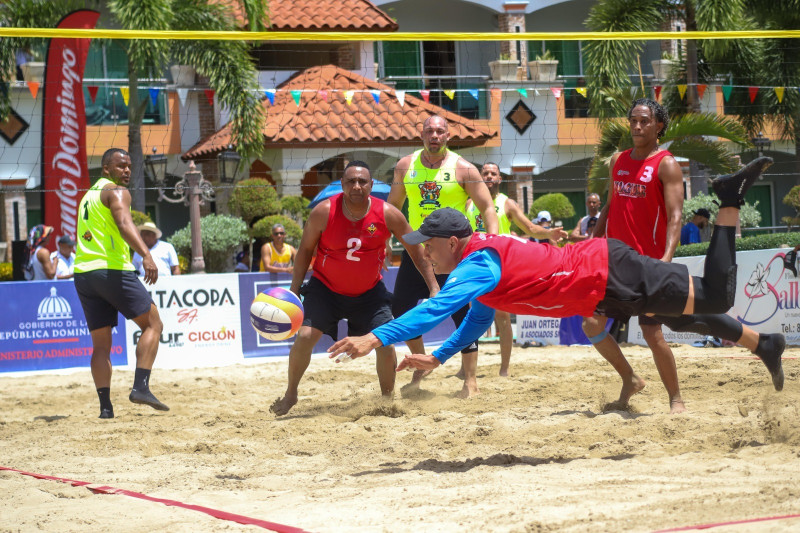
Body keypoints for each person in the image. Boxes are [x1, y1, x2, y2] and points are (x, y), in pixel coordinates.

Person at [327, 159, 784, 399]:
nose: (422, 250)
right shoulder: (481, 266)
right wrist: (442, 357)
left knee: (715, 295)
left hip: (607, 271)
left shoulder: (476, 262)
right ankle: (764, 345)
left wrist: (374, 337)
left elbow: (435, 309)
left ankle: (728, 200)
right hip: (600, 291)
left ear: (451, 241)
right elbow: (475, 320)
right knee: (682, 319)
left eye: (428, 242)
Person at [587, 100, 783, 413]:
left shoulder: (665, 164)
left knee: (658, 330)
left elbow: (676, 216)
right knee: (591, 321)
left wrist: (665, 258)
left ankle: (677, 398)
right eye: (633, 121)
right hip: (615, 263)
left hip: (647, 265)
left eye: (644, 121)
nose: (637, 127)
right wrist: (592, 242)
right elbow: (610, 206)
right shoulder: (619, 161)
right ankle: (631, 379)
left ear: (658, 126)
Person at [269, 161, 437, 416]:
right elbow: (304, 251)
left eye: (362, 181)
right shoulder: (323, 212)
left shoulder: (389, 213)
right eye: (351, 181)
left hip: (369, 293)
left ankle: (387, 400)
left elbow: (416, 250)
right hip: (325, 289)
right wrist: (294, 291)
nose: (356, 186)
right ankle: (291, 394)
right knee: (304, 337)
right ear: (342, 185)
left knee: (385, 342)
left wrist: (434, 287)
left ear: (371, 185)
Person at [389, 114, 498, 398]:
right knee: (401, 309)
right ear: (421, 134)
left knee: (464, 314)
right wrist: (382, 242)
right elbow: (392, 210)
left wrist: (492, 241)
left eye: (440, 131)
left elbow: (487, 207)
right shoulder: (405, 166)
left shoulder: (463, 168)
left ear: (448, 136)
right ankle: (420, 362)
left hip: (453, 253)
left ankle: (470, 380)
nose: (434, 135)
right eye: (430, 131)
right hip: (417, 250)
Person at [74, 148, 168, 419]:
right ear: (106, 169)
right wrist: (147, 255)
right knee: (153, 324)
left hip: (84, 274)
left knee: (101, 346)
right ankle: (141, 387)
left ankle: (105, 408)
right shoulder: (117, 192)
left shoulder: (87, 197)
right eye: (120, 166)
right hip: (112, 270)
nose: (126, 170)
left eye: (129, 165)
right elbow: (125, 223)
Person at [465, 162, 568, 376]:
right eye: (485, 173)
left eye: (493, 173)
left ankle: (504, 368)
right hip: (475, 264)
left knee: (502, 317)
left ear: (500, 179)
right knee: (471, 317)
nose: (489, 176)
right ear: (480, 177)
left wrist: (548, 233)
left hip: (501, 264)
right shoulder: (469, 203)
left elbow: (530, 228)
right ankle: (465, 367)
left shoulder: (507, 203)